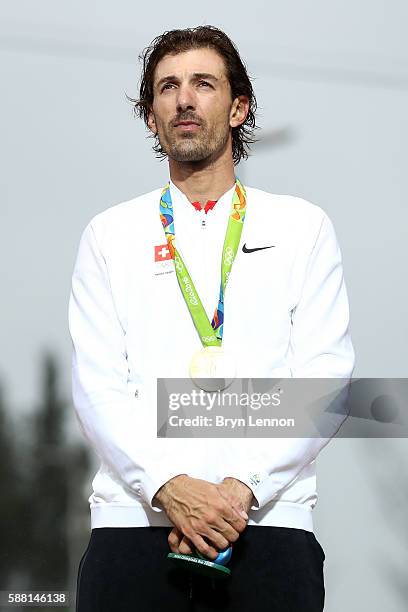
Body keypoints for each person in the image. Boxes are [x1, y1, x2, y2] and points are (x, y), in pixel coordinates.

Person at [69, 25, 355, 611]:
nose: (184, 99)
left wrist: (242, 487)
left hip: (270, 528)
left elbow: (325, 379)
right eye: (167, 87)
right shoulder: (109, 234)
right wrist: (167, 487)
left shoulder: (303, 228)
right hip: (134, 528)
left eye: (203, 83)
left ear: (239, 106)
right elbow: (98, 388)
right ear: (152, 116)